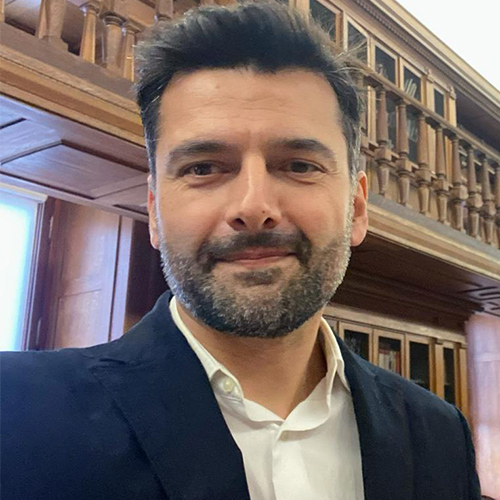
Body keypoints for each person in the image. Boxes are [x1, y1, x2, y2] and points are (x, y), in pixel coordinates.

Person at [1, 2, 481, 499]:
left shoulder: (439, 435)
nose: (253, 207)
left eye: (298, 165)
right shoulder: (16, 416)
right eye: (204, 168)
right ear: (155, 211)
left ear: (357, 208)